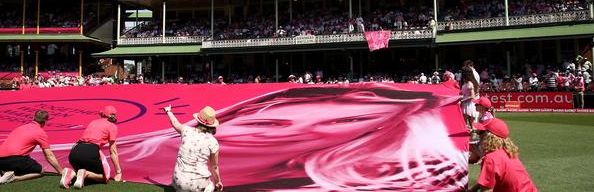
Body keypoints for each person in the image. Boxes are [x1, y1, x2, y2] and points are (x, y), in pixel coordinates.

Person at [118, 84, 468, 190]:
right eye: (269, 124)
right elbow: (216, 170)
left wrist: (167, 114)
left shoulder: (190, 135)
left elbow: (179, 129)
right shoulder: (211, 141)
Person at [0, 110, 64, 187]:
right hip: (13, 160)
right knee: (40, 171)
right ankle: (15, 178)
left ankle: (1, 172)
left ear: (33, 118)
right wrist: (60, 171)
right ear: (44, 122)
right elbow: (49, 156)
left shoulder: (21, 127)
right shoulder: (40, 132)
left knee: (22, 161)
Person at [60, 106, 123, 189]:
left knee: (83, 167)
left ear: (102, 114)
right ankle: (86, 174)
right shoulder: (112, 126)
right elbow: (113, 151)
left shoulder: (93, 122)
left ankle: (72, 173)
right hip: (90, 152)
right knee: (104, 178)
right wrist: (118, 172)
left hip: (74, 152)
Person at [165, 105, 223, 192]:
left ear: (198, 120)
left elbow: (175, 123)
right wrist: (218, 182)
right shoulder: (213, 142)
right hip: (198, 185)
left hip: (178, 183)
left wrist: (168, 111)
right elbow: (214, 167)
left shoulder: (186, 130)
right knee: (210, 186)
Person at [468, 118, 537, 192]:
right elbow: (487, 180)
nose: (478, 134)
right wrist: (471, 190)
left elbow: (486, 190)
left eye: (480, 132)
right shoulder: (507, 152)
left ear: (489, 136)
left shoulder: (491, 158)